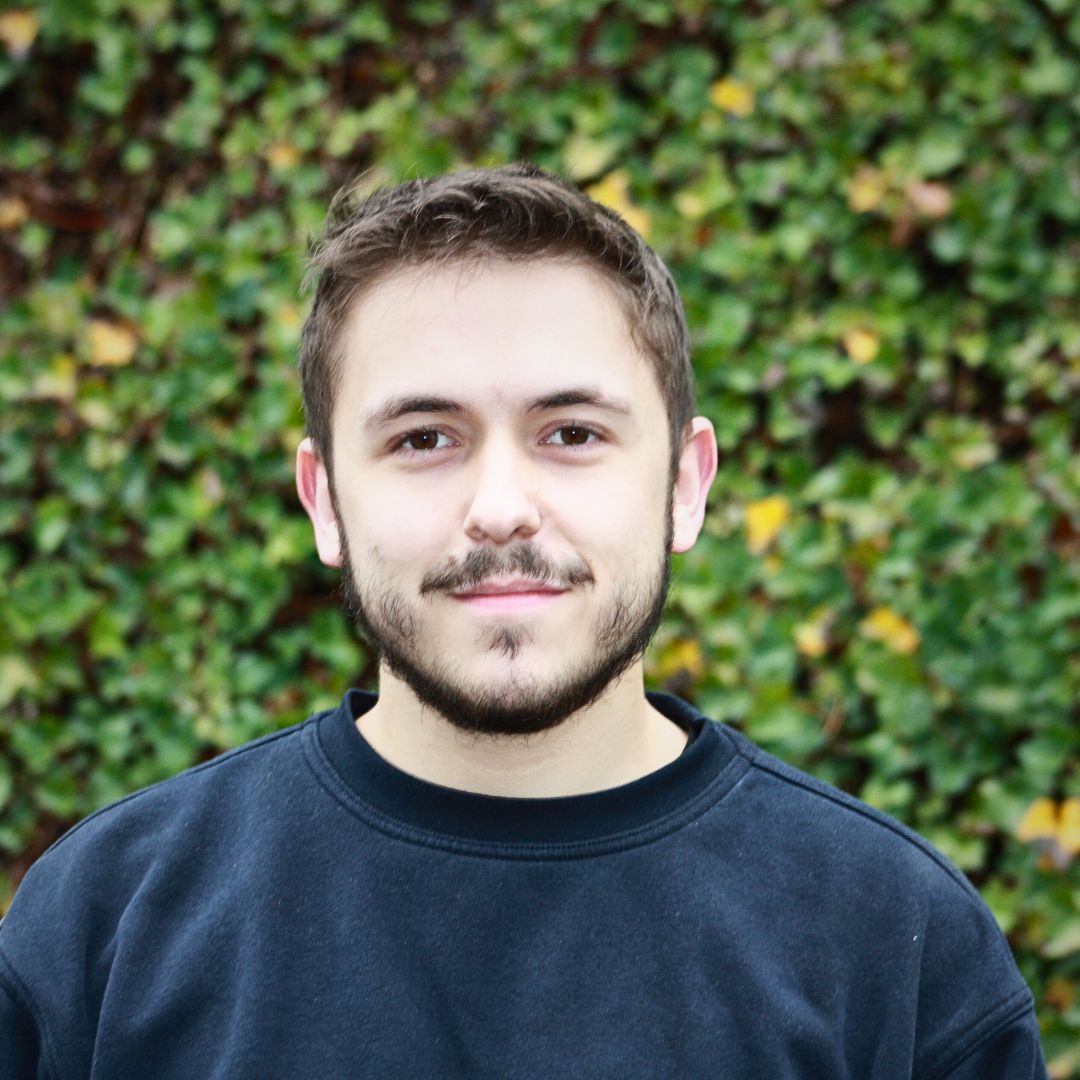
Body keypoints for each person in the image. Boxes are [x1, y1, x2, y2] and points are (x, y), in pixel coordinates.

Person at [0, 165, 1047, 1078]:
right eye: (423, 438)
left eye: (572, 432)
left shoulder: (895, 946)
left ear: (686, 486)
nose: (500, 507)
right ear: (324, 502)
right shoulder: (102, 930)